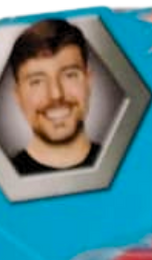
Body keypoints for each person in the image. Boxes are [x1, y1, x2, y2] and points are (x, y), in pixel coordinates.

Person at [6, 19, 101, 175]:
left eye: (69, 75)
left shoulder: (130, 163)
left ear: (88, 81)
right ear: (18, 95)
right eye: (37, 81)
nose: (56, 94)